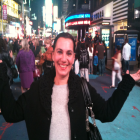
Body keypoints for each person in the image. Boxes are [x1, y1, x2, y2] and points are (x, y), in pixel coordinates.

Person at [0, 33, 140, 140]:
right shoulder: (38, 88)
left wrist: (128, 82)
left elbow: (107, 113)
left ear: (73, 58)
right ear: (53, 54)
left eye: (69, 53)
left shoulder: (81, 88)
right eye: (60, 52)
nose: (64, 58)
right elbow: (11, 113)